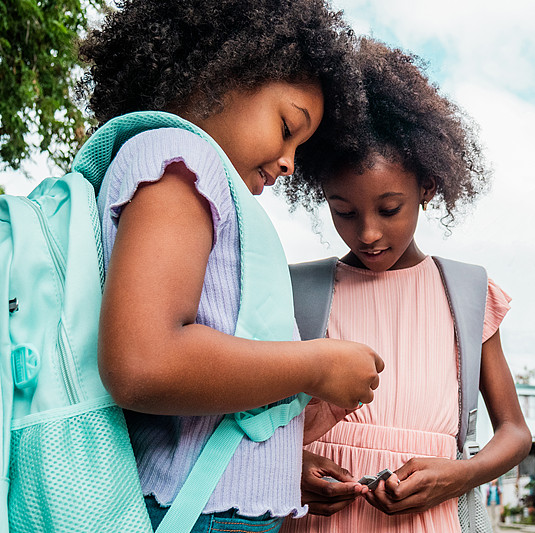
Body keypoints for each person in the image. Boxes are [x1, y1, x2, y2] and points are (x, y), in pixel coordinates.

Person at [79, 1, 384, 530]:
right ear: (221, 73)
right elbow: (144, 363)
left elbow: (204, 400)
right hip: (200, 513)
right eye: (288, 126)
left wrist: (299, 412)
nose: (289, 163)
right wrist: (315, 364)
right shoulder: (179, 160)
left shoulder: (191, 178)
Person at [278, 39, 532, 532]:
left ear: (428, 188)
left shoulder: (467, 292)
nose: (368, 233)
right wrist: (291, 468)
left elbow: (515, 433)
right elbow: (253, 427)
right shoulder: (296, 291)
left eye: (389, 209)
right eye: (343, 212)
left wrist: (459, 476)